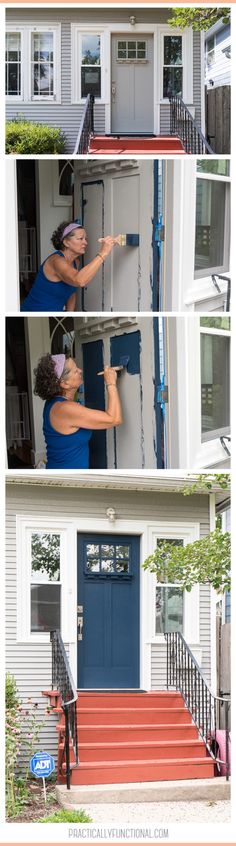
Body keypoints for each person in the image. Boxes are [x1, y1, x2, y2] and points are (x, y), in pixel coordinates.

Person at [34, 353, 122, 469]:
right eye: (75, 371)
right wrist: (111, 383)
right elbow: (114, 419)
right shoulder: (65, 409)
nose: (80, 370)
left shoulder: (53, 403)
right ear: (64, 383)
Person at [21, 221, 120, 312]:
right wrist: (104, 252)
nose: (85, 243)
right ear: (66, 242)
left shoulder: (75, 262)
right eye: (80, 239)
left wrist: (70, 313)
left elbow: (72, 290)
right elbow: (79, 281)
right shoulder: (56, 261)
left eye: (85, 239)